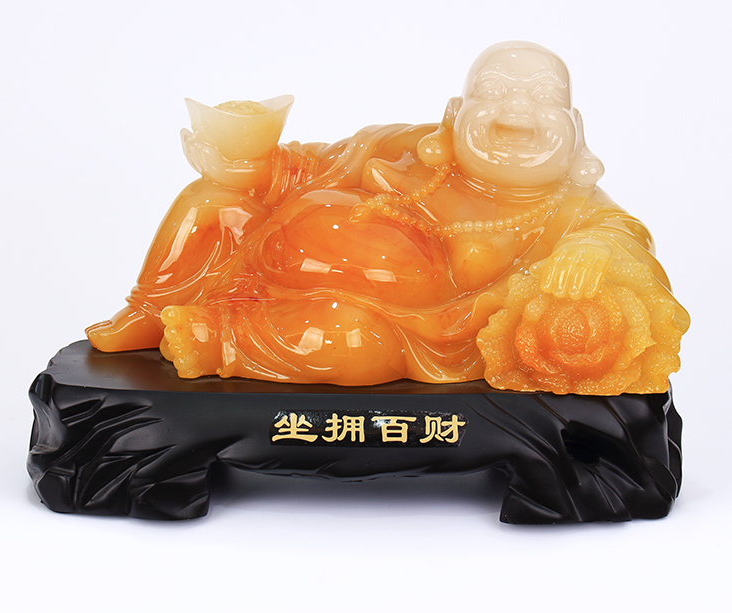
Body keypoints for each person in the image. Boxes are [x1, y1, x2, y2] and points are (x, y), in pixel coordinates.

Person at [87, 42, 688, 391]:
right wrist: (246, 164)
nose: (516, 107)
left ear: (576, 130)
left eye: (543, 98)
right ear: (454, 112)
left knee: (352, 345)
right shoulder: (408, 147)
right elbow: (311, 164)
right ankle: (149, 308)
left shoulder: (571, 208)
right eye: (495, 91)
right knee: (213, 199)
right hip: (264, 253)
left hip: (385, 320)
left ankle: (220, 335)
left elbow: (624, 236)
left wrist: (591, 251)